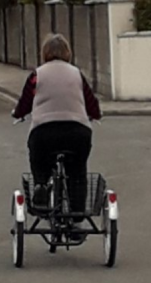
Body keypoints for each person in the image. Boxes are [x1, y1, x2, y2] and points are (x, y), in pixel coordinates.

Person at [12, 33, 101, 217]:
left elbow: (26, 101)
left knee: (39, 158)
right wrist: (95, 114)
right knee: (77, 172)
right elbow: (90, 101)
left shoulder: (37, 75)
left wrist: (18, 113)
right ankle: (76, 215)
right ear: (68, 52)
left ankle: (41, 185)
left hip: (45, 131)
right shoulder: (77, 74)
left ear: (44, 53)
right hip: (78, 132)